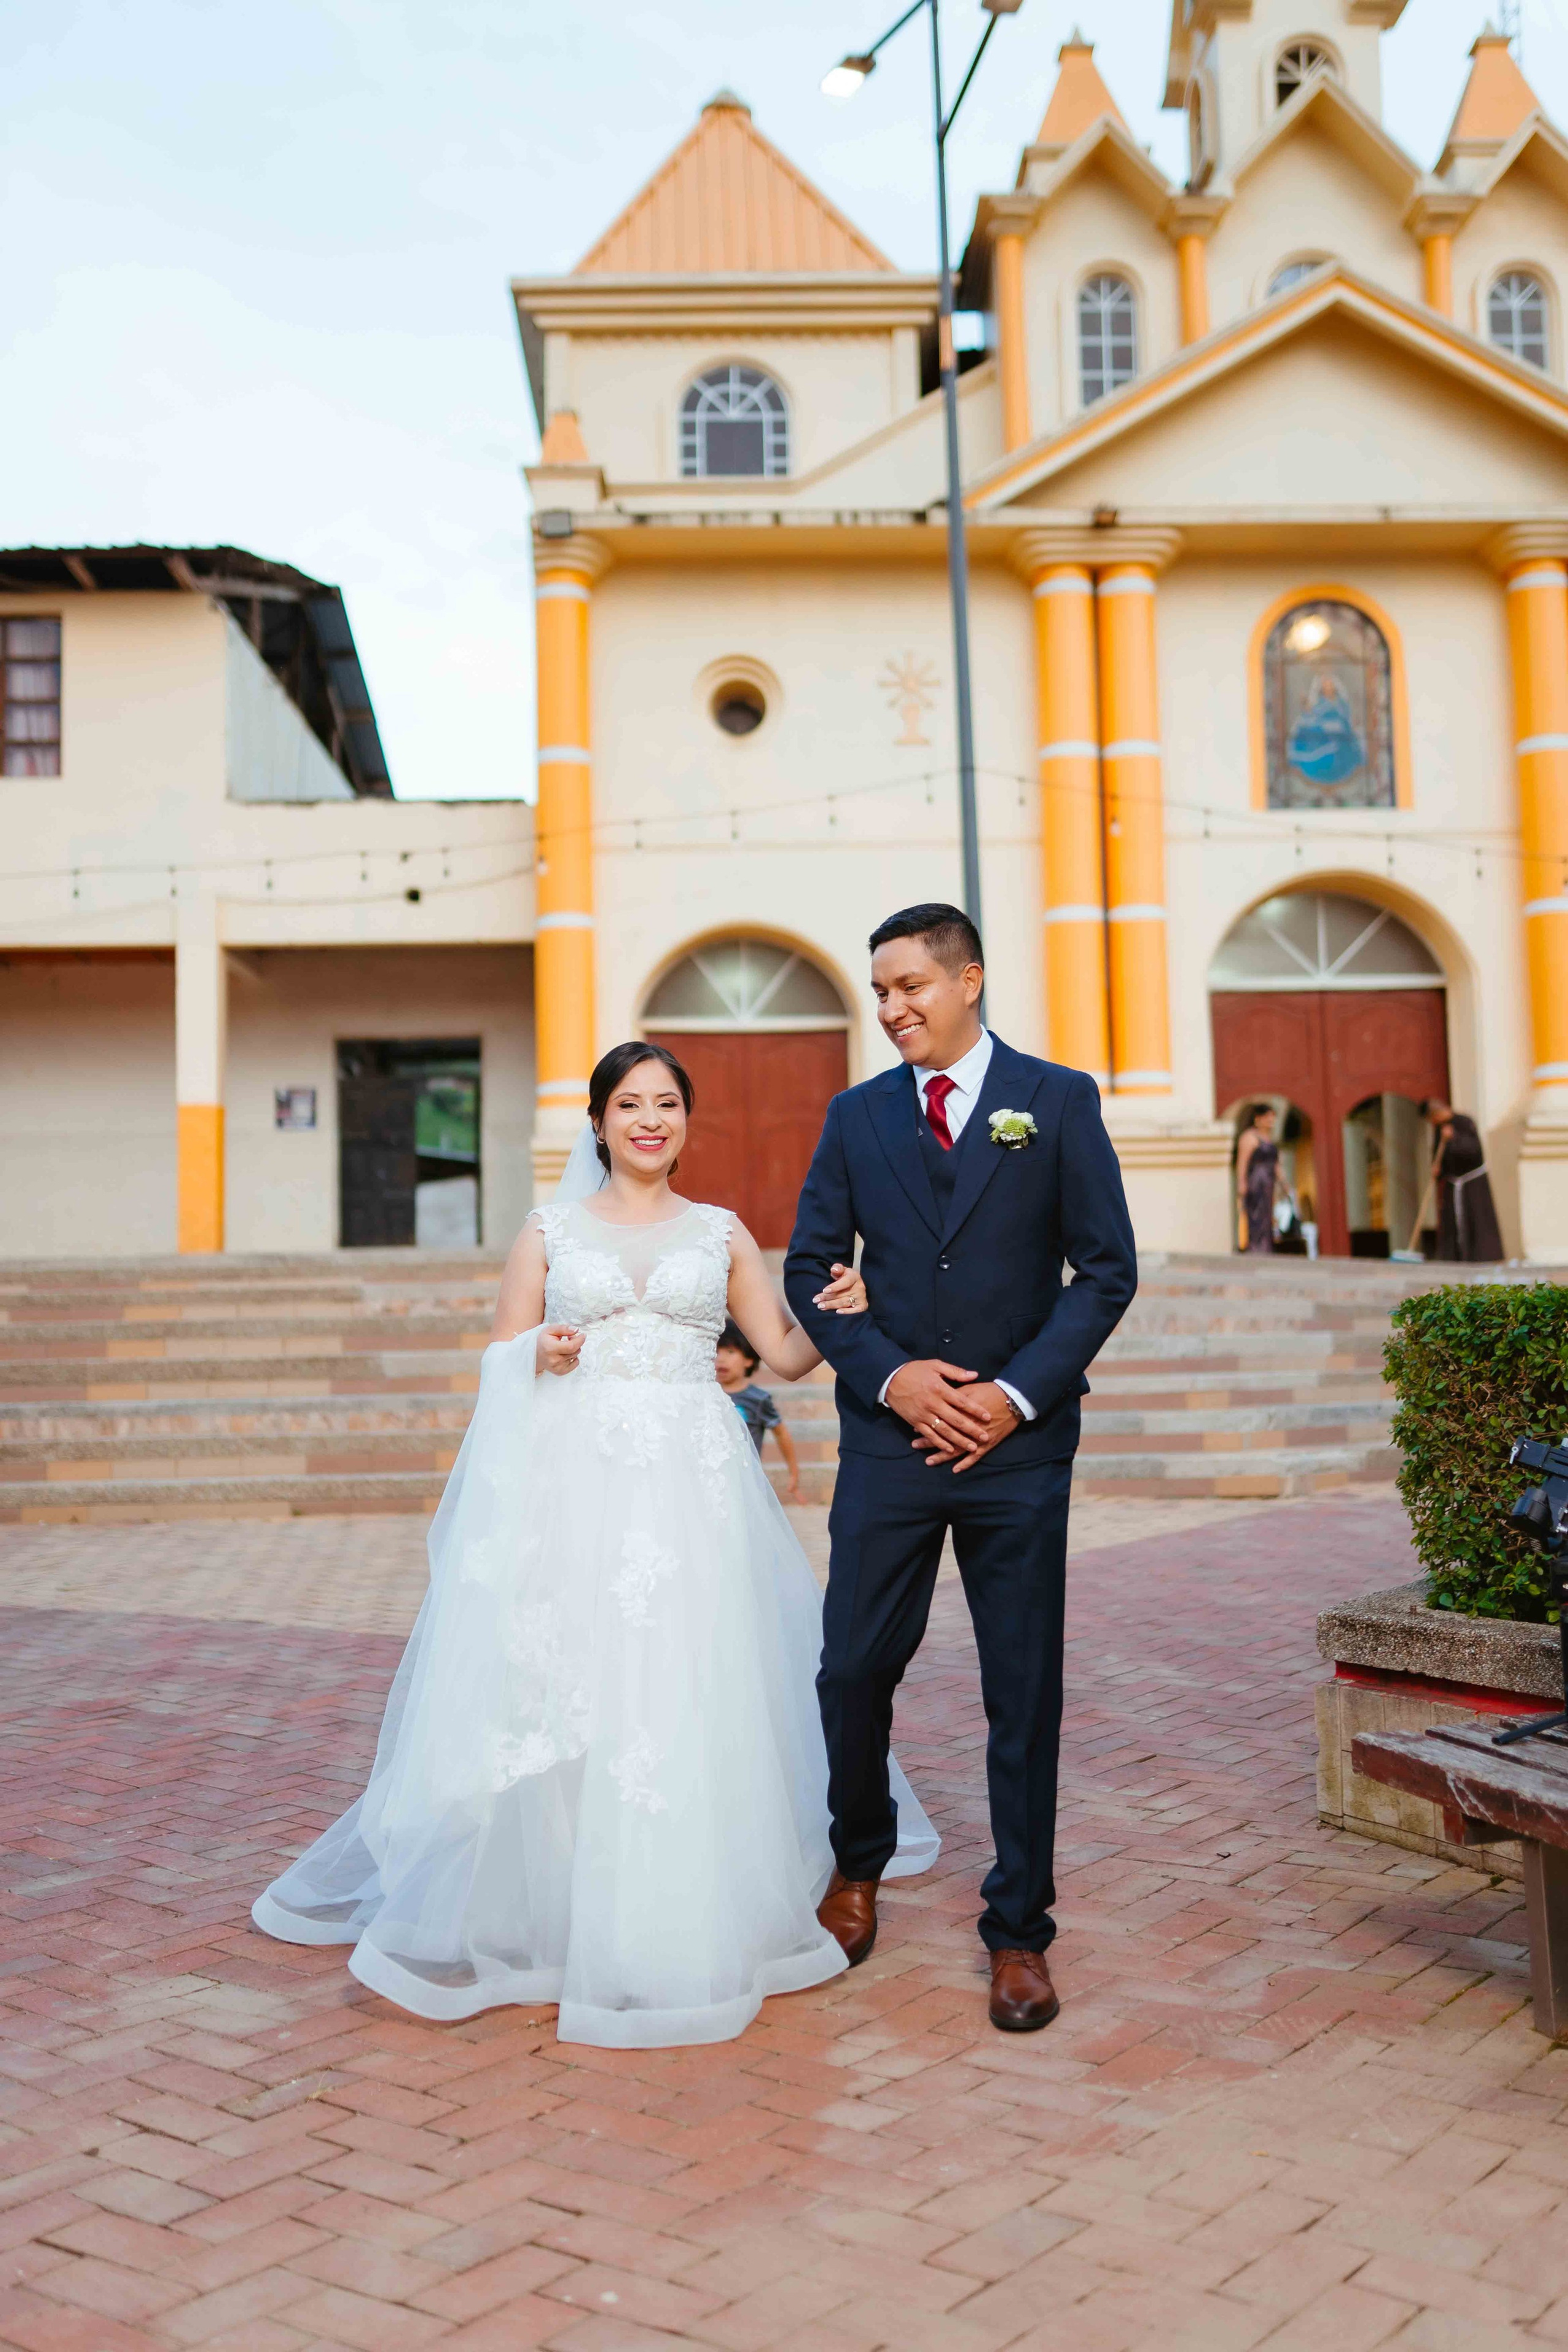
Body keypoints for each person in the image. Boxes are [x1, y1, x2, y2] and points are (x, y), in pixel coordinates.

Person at [252, 1041, 937, 2048]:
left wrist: (846, 1312)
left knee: (686, 1680)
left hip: (695, 1489)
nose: (649, 1120)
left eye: (667, 1104)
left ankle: (680, 1910)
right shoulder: (549, 1230)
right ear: (601, 1119)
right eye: (630, 1104)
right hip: (577, 1483)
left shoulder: (723, 1234)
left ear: (685, 1122)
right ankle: (560, 1913)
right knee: (569, 1680)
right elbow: (500, 1351)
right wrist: (539, 1351)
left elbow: (783, 1355)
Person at [784, 904, 1137, 2034]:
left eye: (909, 987)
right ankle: (856, 1866)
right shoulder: (855, 1118)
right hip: (891, 1444)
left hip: (1018, 1452)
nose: (891, 1010)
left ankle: (1020, 1932)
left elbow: (1104, 1272)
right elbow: (808, 1269)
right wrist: (894, 1379)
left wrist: (1010, 1394)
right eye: (877, 992)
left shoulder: (1059, 1100)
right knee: (850, 1672)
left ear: (969, 979)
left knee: (1021, 1692)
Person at [717, 1317, 802, 1504]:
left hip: (746, 1478)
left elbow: (781, 1434)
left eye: (731, 1352)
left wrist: (793, 1473)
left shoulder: (758, 1400)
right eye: (717, 1351)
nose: (721, 1358)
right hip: (712, 1474)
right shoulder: (706, 1395)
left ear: (748, 1359)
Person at [1424, 1097, 1504, 1262]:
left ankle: (1481, 1257)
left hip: (1473, 1182)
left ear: (1435, 1114)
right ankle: (1456, 1257)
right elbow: (1440, 1156)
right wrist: (1438, 1169)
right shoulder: (1439, 1129)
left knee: (1477, 1221)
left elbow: (1473, 1151)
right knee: (1453, 1223)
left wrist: (1455, 1138)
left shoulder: (1464, 1122)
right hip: (1454, 1184)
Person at [1235, 1102, 1284, 1254]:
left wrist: (1284, 1183)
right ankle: (1256, 1247)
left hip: (1269, 1182)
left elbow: (1275, 1164)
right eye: (1268, 1117)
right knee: (1256, 1214)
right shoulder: (1249, 1137)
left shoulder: (1269, 1139)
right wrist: (1242, 1183)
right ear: (1258, 1119)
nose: (1271, 1121)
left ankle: (1266, 1247)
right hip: (1256, 1181)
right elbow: (1242, 1162)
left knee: (1267, 1215)